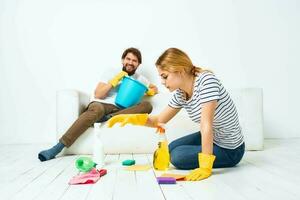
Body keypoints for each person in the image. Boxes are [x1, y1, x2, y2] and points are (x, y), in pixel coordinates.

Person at [107, 48, 245, 181]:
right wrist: (131, 118)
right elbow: (159, 120)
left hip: (230, 149)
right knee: (170, 148)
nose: (162, 82)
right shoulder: (180, 93)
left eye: (165, 76)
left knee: (177, 157)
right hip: (213, 137)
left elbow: (206, 124)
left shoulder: (207, 81)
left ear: (180, 70)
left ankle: (216, 158)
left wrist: (205, 167)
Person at [38, 47, 158, 162]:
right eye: (128, 59)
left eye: (134, 60)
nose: (130, 62)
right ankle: (57, 148)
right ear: (123, 60)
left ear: (138, 64)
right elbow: (98, 94)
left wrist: (150, 90)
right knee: (98, 109)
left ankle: (107, 118)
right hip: (101, 105)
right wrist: (114, 81)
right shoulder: (112, 72)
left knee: (147, 106)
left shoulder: (140, 79)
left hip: (119, 111)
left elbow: (155, 88)